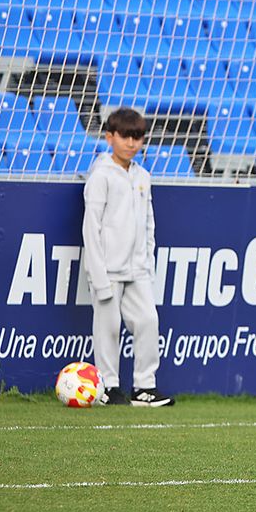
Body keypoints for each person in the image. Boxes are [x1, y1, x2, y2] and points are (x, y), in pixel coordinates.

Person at [82, 107, 171, 407]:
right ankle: (108, 386)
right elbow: (91, 228)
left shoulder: (142, 176)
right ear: (110, 137)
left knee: (148, 321)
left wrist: (147, 265)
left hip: (138, 269)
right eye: (125, 136)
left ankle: (144, 387)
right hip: (107, 268)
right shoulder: (100, 176)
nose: (132, 143)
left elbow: (149, 224)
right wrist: (97, 272)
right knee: (107, 328)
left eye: (138, 137)